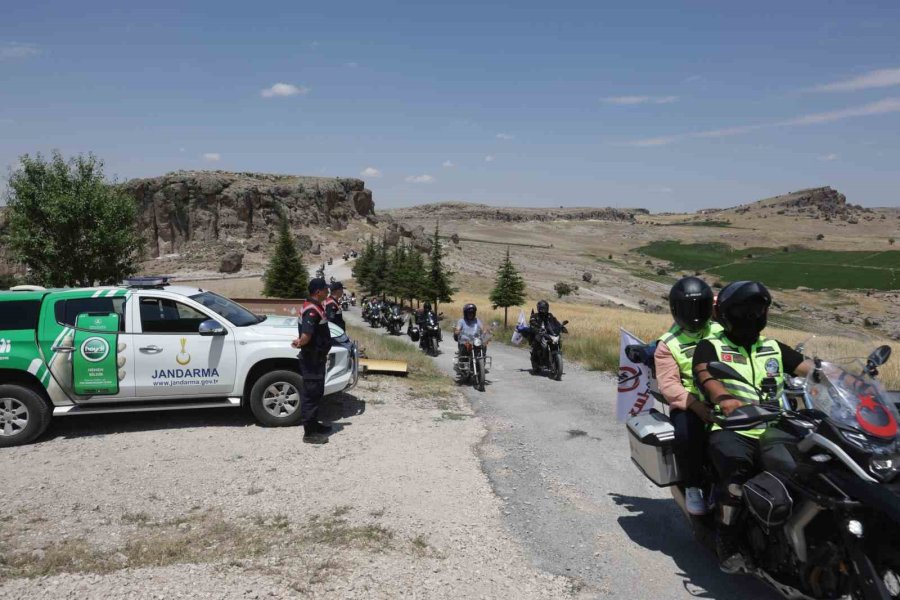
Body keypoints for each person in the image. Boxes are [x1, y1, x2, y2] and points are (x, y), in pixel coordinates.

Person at [692, 280, 812, 573]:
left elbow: (811, 369)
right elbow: (706, 376)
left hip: (776, 427)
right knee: (736, 475)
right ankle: (727, 538)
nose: (752, 315)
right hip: (734, 427)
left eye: (758, 309)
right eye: (745, 310)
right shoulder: (711, 346)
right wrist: (725, 399)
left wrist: (846, 378)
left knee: (814, 469)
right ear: (728, 314)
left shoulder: (773, 347)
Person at [654, 277, 716, 517]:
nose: (695, 315)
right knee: (686, 434)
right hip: (689, 402)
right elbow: (669, 385)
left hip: (728, 395)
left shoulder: (721, 329)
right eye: (689, 309)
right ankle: (692, 486)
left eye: (700, 307)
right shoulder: (668, 344)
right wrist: (696, 406)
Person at [291, 278, 334, 445]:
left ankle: (314, 424)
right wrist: (300, 342)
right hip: (312, 359)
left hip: (317, 357)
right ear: (318, 292)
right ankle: (309, 433)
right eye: (325, 289)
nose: (327, 292)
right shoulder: (311, 310)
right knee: (311, 394)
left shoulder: (314, 306)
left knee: (316, 393)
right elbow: (306, 335)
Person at [528, 300, 566, 372]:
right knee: (542, 345)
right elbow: (532, 323)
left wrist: (561, 327)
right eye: (542, 308)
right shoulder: (535, 316)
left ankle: (553, 360)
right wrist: (536, 327)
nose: (544, 309)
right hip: (539, 334)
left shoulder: (549, 315)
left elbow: (555, 322)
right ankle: (537, 360)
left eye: (545, 308)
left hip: (548, 334)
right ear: (539, 308)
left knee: (556, 341)